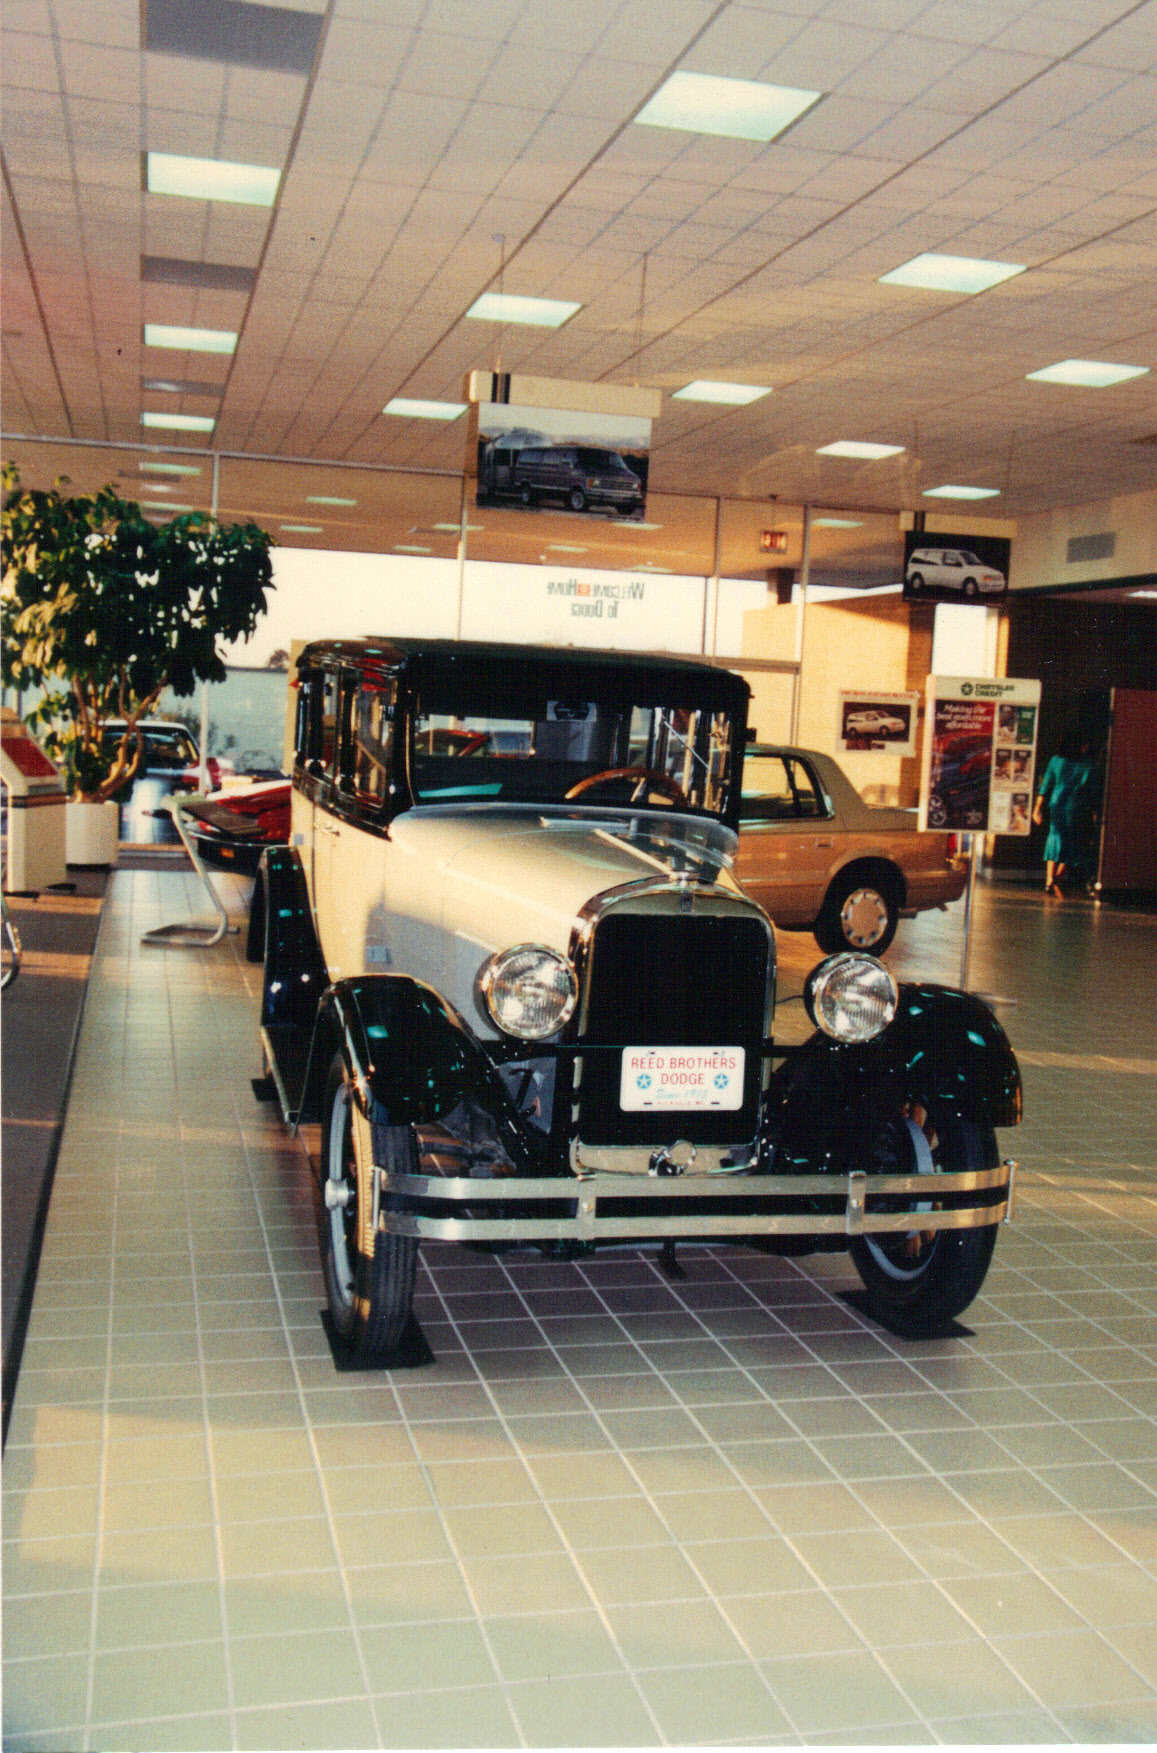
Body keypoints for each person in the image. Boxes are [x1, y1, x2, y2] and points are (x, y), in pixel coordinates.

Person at [1032, 731, 1098, 897]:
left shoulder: (1055, 761)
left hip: (1057, 805)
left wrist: (1037, 808)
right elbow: (1089, 787)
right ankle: (1058, 875)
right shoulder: (1086, 764)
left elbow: (1046, 785)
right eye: (1084, 745)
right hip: (1077, 806)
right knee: (1073, 841)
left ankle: (1049, 879)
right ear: (1080, 746)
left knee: (1054, 838)